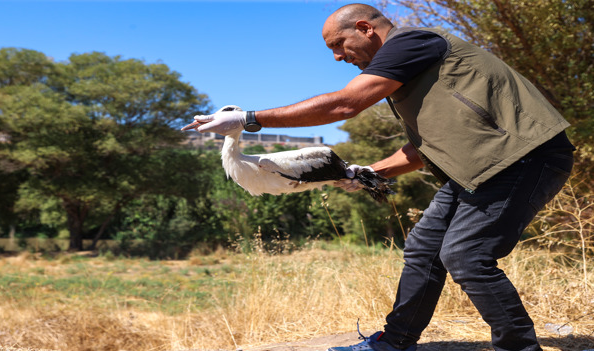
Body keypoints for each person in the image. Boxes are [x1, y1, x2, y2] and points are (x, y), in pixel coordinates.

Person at [183, 3, 574, 351]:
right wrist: (369, 172)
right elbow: (425, 148)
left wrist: (249, 119)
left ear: (366, 28)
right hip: (478, 167)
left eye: (338, 44)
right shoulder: (413, 74)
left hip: (524, 156)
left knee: (467, 254)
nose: (337, 57)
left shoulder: (411, 43)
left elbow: (345, 104)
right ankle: (395, 342)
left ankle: (519, 347)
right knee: (424, 248)